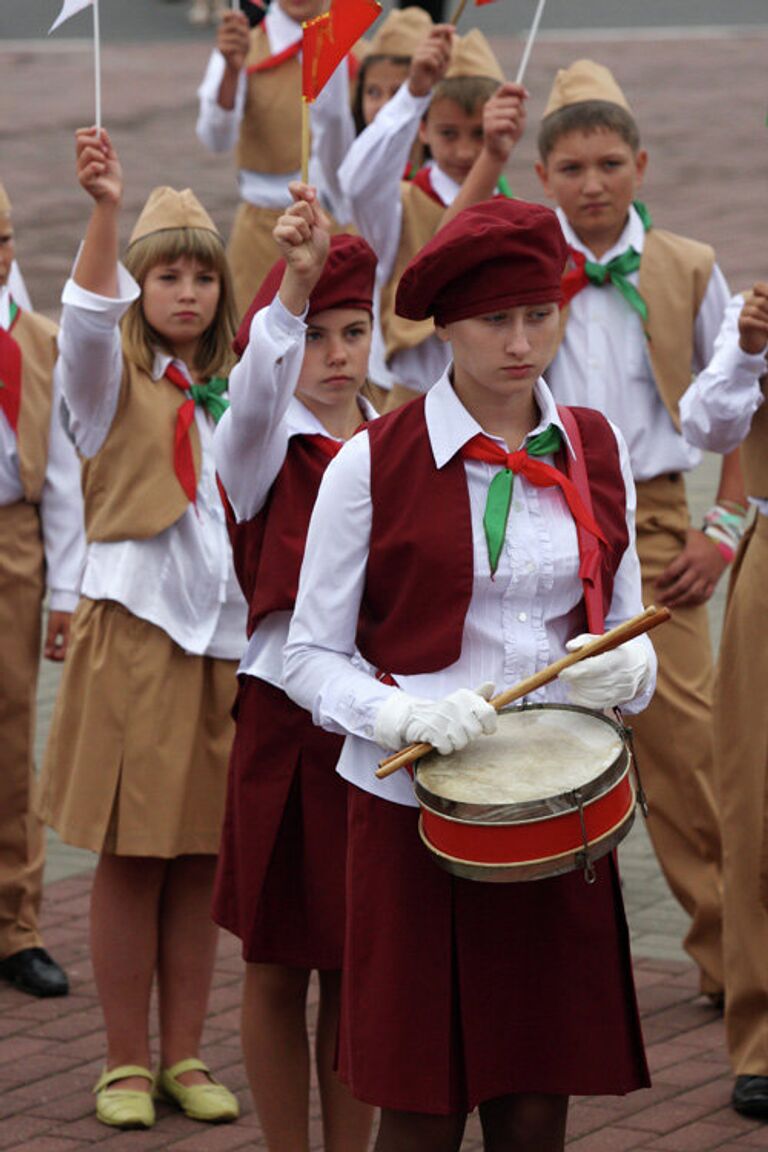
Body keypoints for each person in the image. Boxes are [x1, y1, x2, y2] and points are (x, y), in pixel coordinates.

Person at [283, 196, 657, 1152]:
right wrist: (399, 711)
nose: (523, 342)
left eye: (540, 314)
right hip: (419, 816)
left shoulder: (595, 445)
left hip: (562, 809)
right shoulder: (370, 463)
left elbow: (617, 619)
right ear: (445, 326)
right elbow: (307, 656)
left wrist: (633, 669)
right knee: (419, 1105)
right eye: (497, 321)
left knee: (539, 1101)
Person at [35, 128, 246, 1130]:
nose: (187, 293)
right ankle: (124, 1059)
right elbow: (81, 322)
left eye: (202, 276)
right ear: (142, 289)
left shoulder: (236, 392)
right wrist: (106, 209)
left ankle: (189, 1052)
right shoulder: (104, 384)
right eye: (167, 276)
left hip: (219, 648)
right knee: (130, 855)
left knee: (201, 855)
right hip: (131, 637)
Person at [533, 58, 743, 1004]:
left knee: (690, 755)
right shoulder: (525, 265)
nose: (592, 184)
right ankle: (547, 969)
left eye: (609, 163)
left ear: (641, 164)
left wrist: (723, 526)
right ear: (542, 176)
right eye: (572, 167)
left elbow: (745, 406)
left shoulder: (689, 267)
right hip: (536, 513)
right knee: (541, 743)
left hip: (654, 523)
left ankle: (735, 964)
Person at [213, 184, 377, 1152]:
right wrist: (296, 286)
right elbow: (254, 391)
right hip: (282, 723)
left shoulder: (396, 439)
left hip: (368, 725)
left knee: (356, 964)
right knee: (276, 965)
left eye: (352, 332)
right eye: (318, 336)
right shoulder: (262, 448)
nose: (338, 355)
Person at [679, 283, 768, 1118]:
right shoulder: (759, 313)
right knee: (755, 802)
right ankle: (761, 1039)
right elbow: (703, 425)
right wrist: (743, 349)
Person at [339, 26, 526, 409]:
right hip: (412, 401)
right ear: (422, 129)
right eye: (448, 133)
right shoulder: (401, 206)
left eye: (478, 134)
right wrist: (413, 94)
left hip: (497, 409)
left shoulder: (517, 217)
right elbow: (356, 184)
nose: (464, 150)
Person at [0, 181, 84, 999]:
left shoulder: (35, 343)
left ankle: (16, 924)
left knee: (10, 735)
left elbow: (62, 477)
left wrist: (66, 590)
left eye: (2, 240)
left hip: (12, 543)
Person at [195, 0, 357, 314]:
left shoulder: (356, 47)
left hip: (335, 226)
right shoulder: (244, 44)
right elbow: (215, 138)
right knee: (254, 341)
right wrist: (231, 69)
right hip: (263, 232)